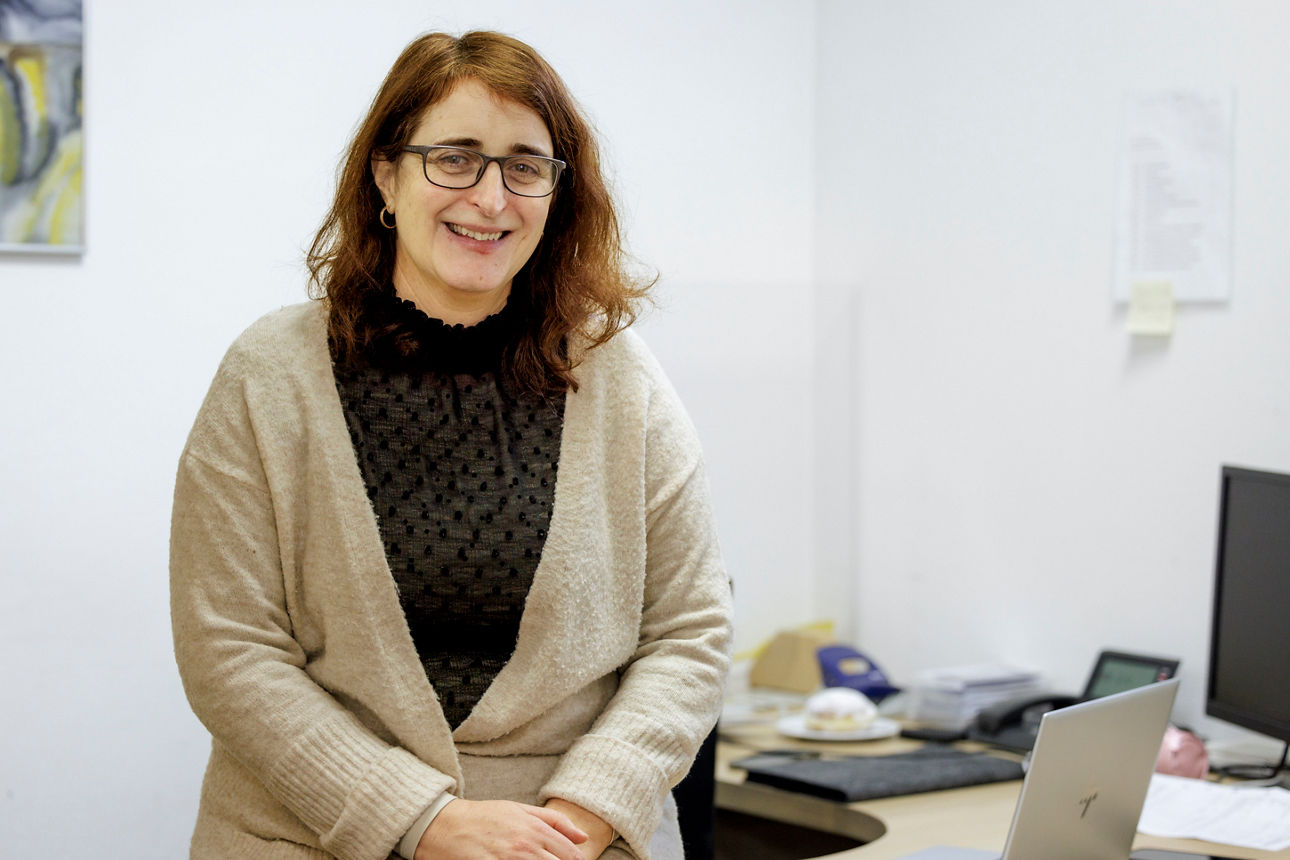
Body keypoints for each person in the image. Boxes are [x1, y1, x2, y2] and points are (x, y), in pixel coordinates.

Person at [169, 30, 732, 860]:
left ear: (557, 194)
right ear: (386, 175)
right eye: (456, 158)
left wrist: (582, 817)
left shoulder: (622, 379)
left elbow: (689, 629)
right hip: (312, 835)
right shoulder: (269, 376)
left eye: (525, 165)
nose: (492, 197)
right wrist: (421, 821)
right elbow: (229, 649)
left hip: (573, 838)